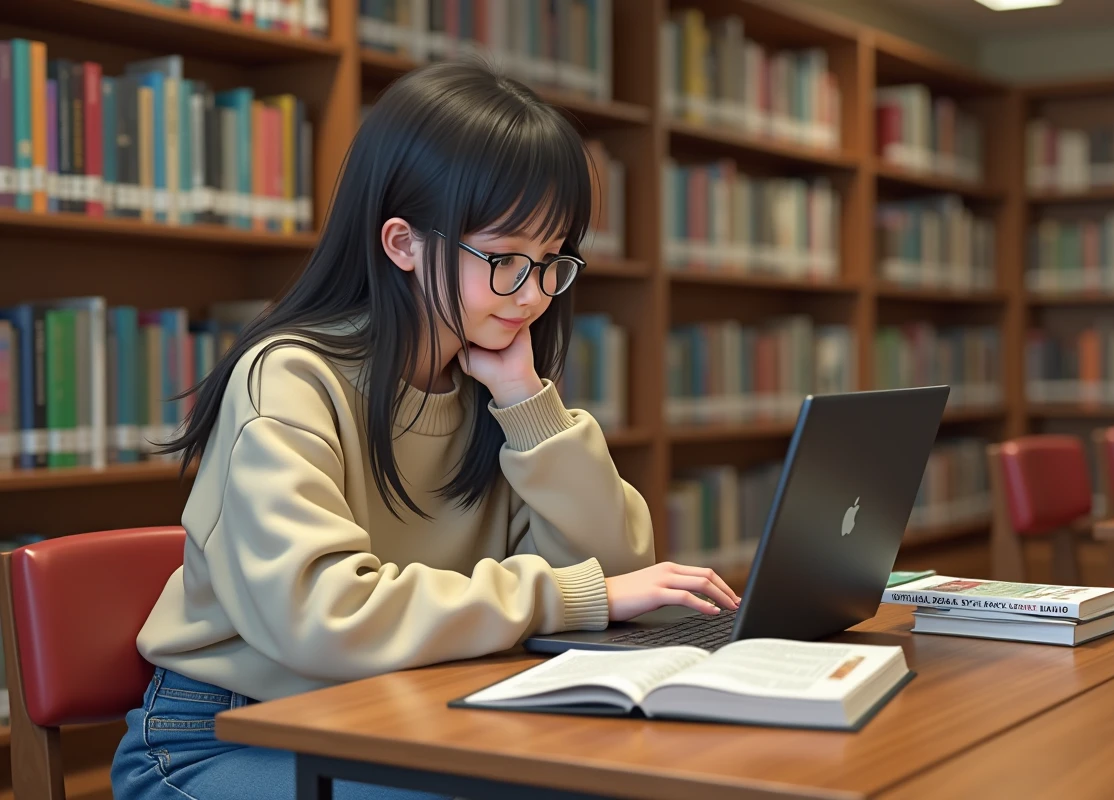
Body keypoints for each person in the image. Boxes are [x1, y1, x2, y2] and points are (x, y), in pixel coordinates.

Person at [110, 59, 739, 800]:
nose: (534, 294)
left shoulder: (491, 386)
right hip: (222, 735)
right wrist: (569, 595)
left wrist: (528, 403)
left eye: (551, 260)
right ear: (402, 243)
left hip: (397, 712)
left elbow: (615, 570)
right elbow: (328, 617)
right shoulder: (287, 379)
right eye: (504, 258)